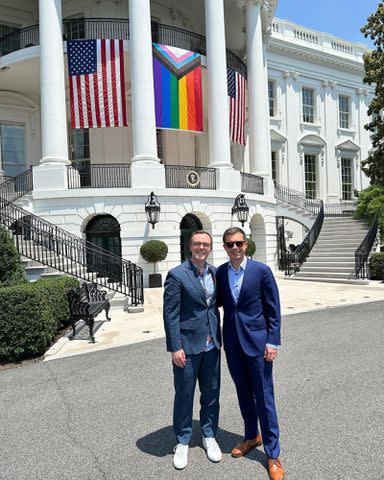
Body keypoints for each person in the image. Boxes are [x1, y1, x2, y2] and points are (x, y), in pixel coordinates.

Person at [216, 227, 285, 480]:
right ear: (224, 247)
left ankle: (273, 454)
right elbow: (216, 303)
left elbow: (273, 309)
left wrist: (272, 342)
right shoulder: (221, 273)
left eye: (238, 243)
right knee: (243, 393)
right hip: (233, 344)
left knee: (264, 399)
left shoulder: (261, 271)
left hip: (258, 345)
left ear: (246, 245)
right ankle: (251, 436)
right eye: (229, 244)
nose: (234, 248)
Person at [163, 230, 222, 470]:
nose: (201, 248)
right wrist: (175, 347)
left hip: (212, 346)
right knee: (184, 395)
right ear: (190, 246)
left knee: (212, 394)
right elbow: (170, 314)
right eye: (197, 244)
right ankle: (183, 440)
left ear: (210, 248)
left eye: (205, 244)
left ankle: (209, 435)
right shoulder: (177, 275)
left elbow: (215, 305)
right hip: (186, 348)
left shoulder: (216, 273)